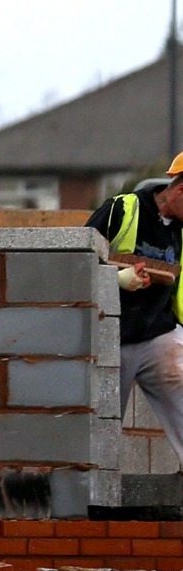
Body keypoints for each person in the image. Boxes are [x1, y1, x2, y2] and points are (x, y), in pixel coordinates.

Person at [92, 172, 183, 460]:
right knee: (101, 421)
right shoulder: (122, 210)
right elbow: (75, 259)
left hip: (157, 334)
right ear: (180, 190)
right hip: (107, 335)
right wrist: (116, 279)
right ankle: (92, 496)